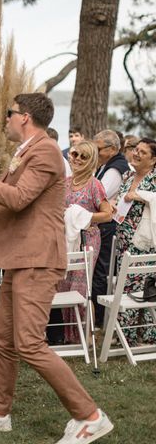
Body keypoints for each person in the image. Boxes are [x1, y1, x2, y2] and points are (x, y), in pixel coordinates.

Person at [0, 93, 113, 443]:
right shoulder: (27, 151)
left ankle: (89, 416)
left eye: (9, 113)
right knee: (3, 339)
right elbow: (10, 199)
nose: (5, 119)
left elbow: (17, 199)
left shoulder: (45, 151)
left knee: (30, 343)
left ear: (25, 117)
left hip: (38, 260)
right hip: (20, 260)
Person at [58, 141, 112, 343]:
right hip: (65, 239)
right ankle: (68, 335)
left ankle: (85, 335)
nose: (77, 159)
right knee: (63, 285)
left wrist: (81, 216)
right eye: (74, 154)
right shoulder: (65, 182)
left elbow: (107, 215)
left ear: (91, 161)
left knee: (80, 288)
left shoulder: (94, 184)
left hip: (87, 239)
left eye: (84, 156)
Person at [113, 138, 156, 346]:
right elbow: (122, 199)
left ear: (154, 159)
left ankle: (147, 335)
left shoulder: (155, 179)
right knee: (125, 287)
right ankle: (126, 335)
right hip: (123, 239)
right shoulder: (128, 175)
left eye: (143, 152)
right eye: (136, 150)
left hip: (145, 242)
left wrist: (139, 195)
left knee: (145, 288)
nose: (136, 154)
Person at [91, 130, 129, 327]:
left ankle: (99, 318)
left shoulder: (115, 169)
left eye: (98, 149)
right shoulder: (107, 164)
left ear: (113, 149)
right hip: (104, 225)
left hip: (107, 227)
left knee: (100, 271)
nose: (95, 152)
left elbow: (99, 196)